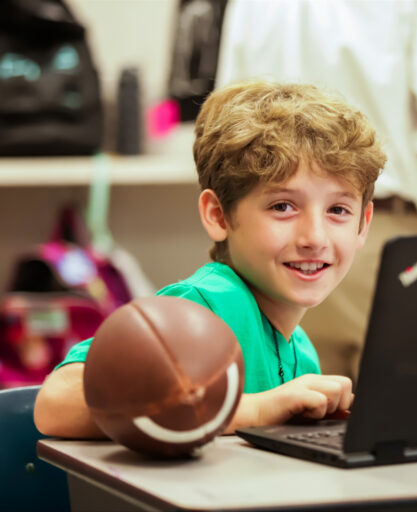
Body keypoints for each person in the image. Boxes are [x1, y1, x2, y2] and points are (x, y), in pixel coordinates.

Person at [33, 80, 386, 438]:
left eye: (338, 210)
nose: (314, 237)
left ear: (363, 224)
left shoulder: (301, 350)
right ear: (218, 215)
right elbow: (57, 403)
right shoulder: (205, 307)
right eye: (283, 206)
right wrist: (256, 409)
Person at [216, 0, 417, 379]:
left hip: (273, 251)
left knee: (292, 427)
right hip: (393, 247)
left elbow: (227, 118)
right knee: (415, 428)